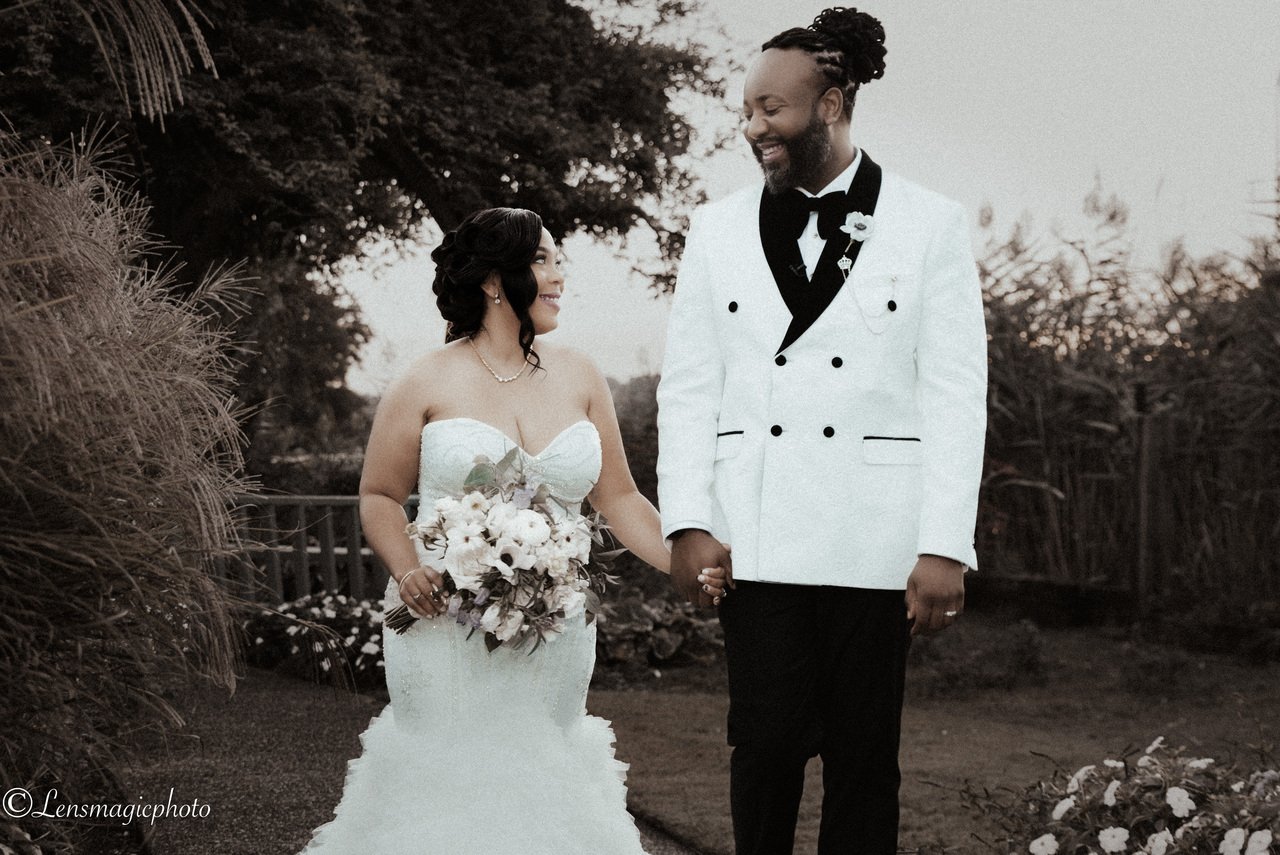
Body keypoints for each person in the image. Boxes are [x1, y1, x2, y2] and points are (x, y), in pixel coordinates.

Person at [656, 8, 988, 855]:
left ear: (831, 105)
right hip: (755, 537)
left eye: (771, 109)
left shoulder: (931, 223)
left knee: (864, 762)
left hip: (874, 542)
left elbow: (955, 394)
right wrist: (686, 521)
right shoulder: (715, 228)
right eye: (747, 110)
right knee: (763, 748)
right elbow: (689, 388)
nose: (752, 127)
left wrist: (944, 544)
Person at [299, 207, 728, 854]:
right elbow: (380, 495)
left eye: (559, 261)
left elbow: (619, 497)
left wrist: (684, 557)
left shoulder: (581, 375)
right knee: (447, 791)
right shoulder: (424, 378)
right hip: (443, 624)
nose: (559, 275)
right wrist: (407, 569)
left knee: (545, 780)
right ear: (495, 281)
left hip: (556, 632)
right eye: (543, 260)